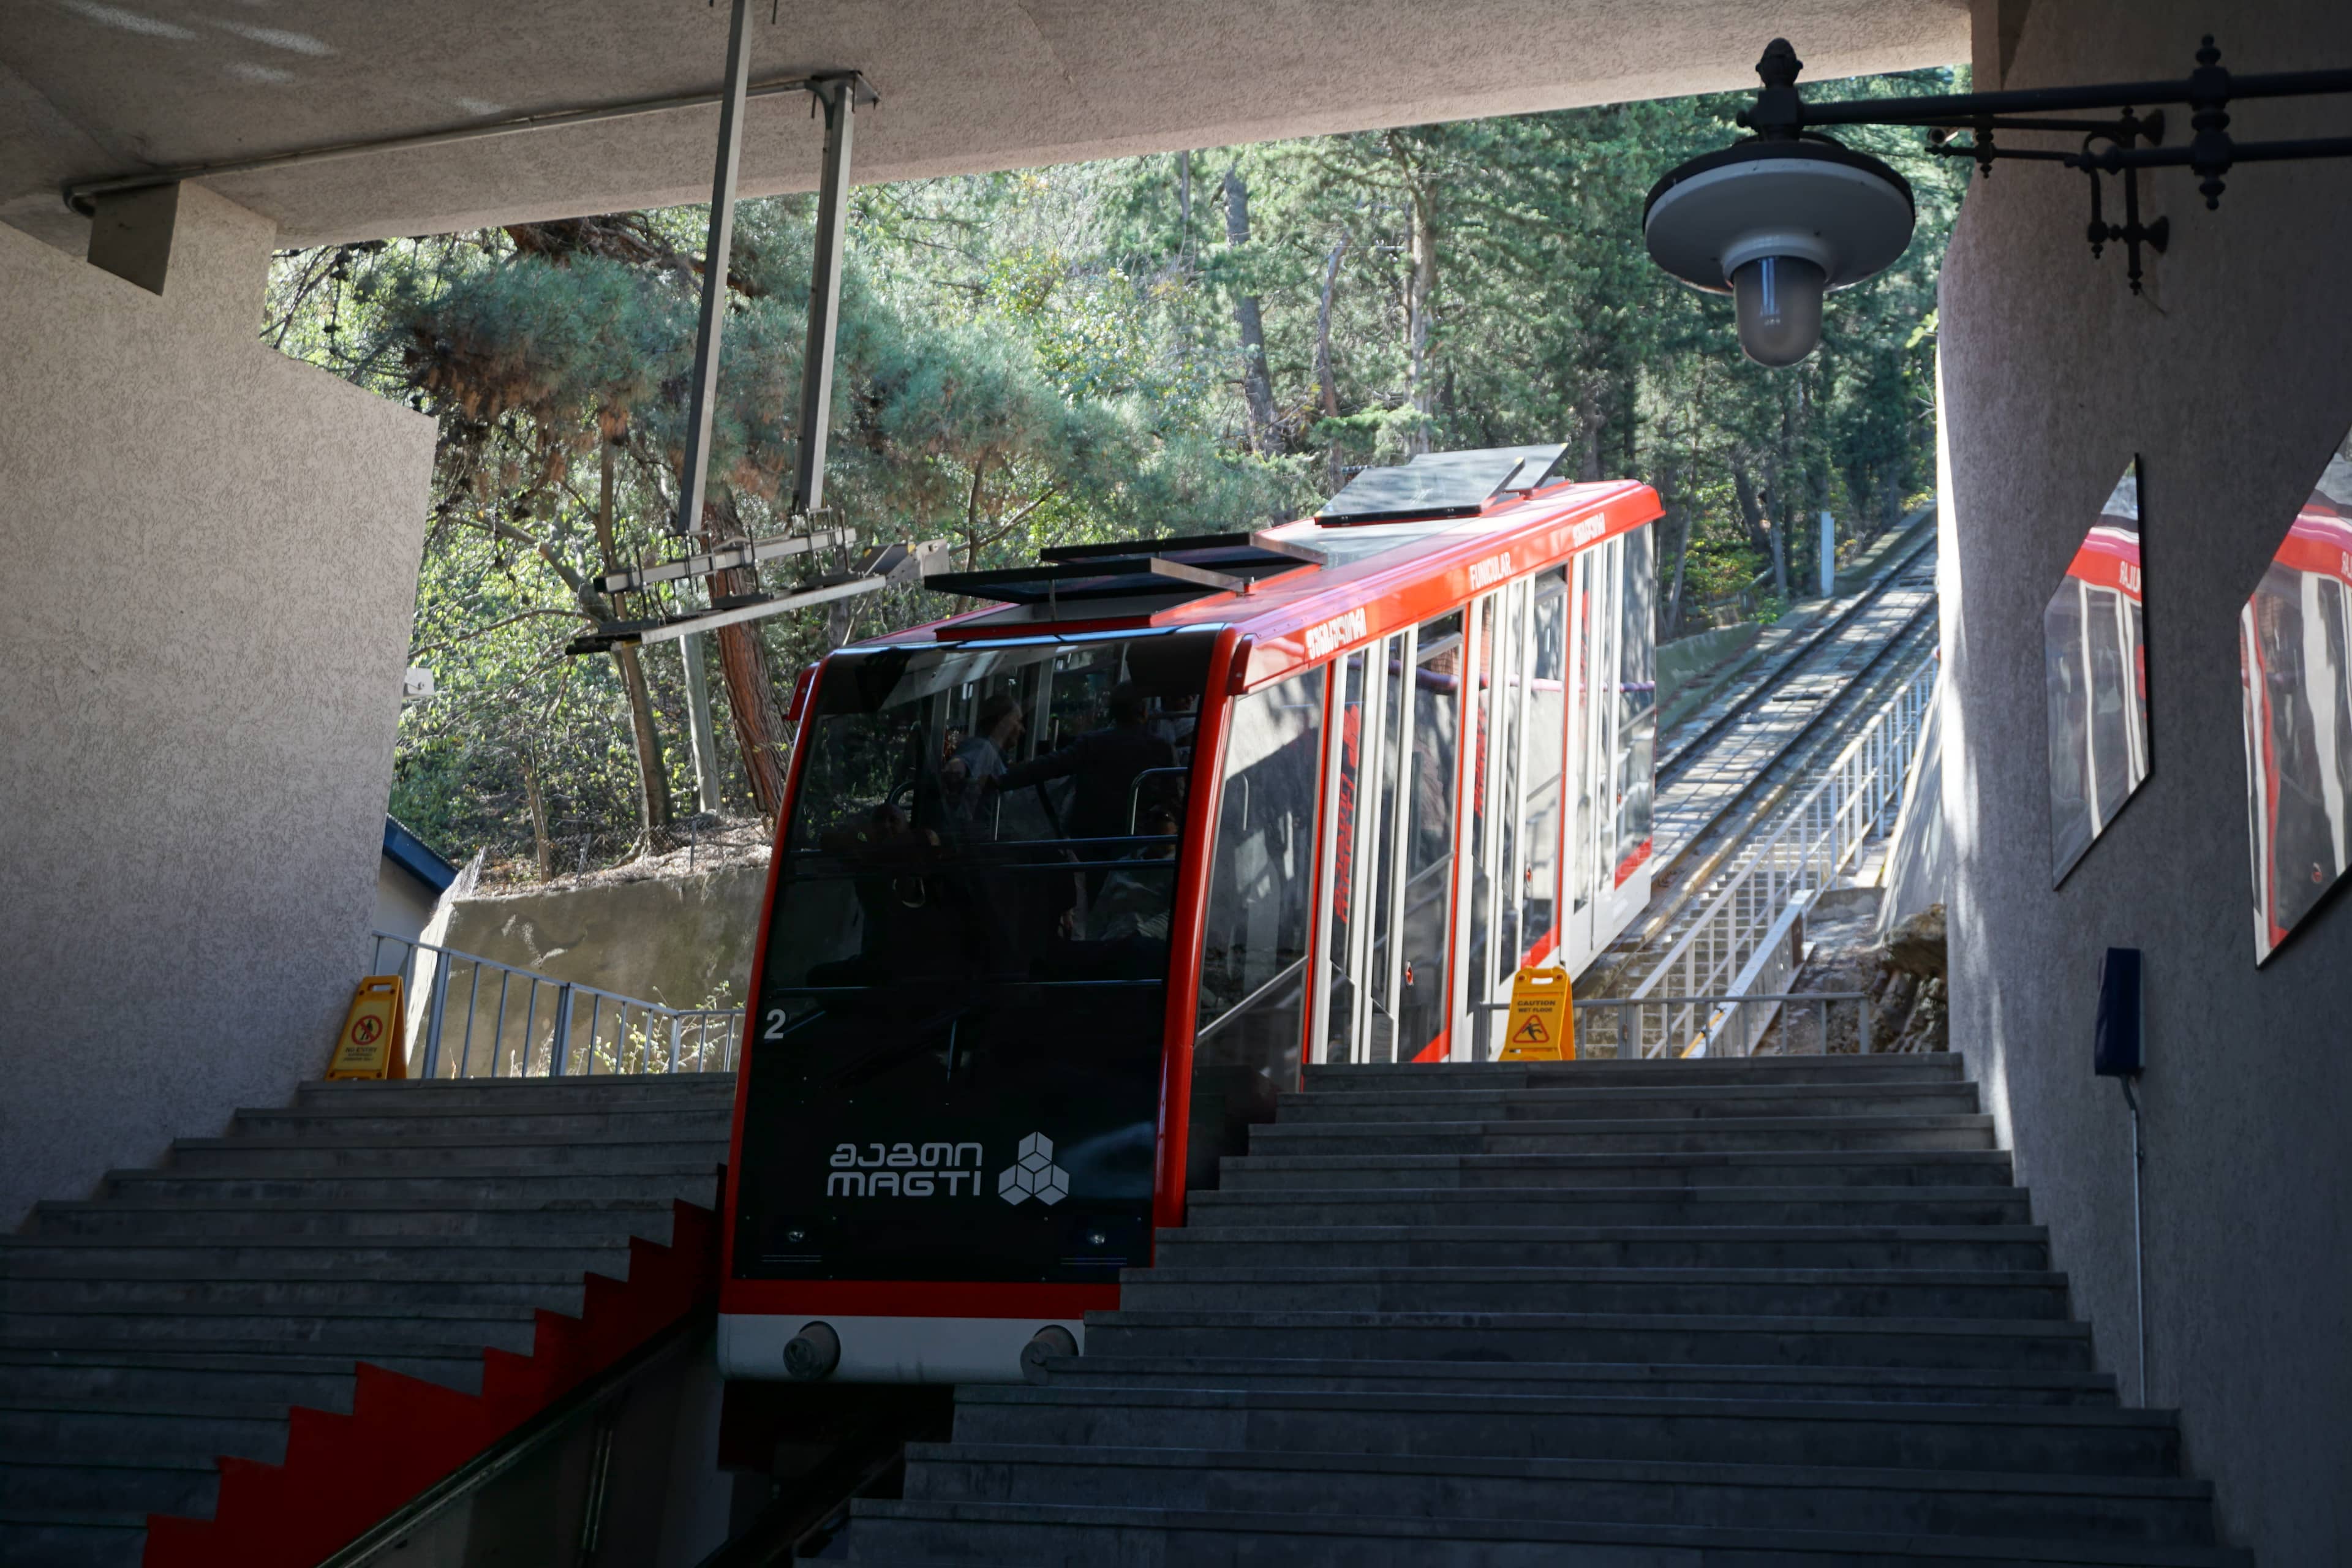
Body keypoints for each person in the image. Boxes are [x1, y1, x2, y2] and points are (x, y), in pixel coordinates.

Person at [990, 682, 1176, 843]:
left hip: (1092, 837)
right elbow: (1173, 796)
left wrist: (1003, 780)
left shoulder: (1092, 743)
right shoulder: (1161, 748)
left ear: (1112, 713)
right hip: (1139, 835)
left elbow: (1049, 766)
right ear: (1143, 711)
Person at [942, 693, 1023, 827]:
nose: (1022, 729)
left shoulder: (997, 758)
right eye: (1018, 721)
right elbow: (960, 764)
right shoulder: (983, 747)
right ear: (1002, 721)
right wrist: (957, 768)